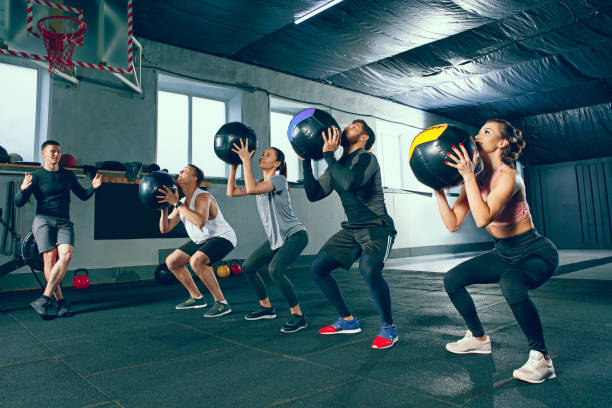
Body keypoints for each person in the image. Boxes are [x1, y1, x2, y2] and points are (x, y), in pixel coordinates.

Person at [435, 119, 559, 383]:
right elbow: (453, 223)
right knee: (452, 279)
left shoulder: (509, 177)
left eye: (486, 132)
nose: (478, 136)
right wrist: (438, 191)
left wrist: (468, 177)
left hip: (534, 251)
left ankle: (543, 359)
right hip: (503, 252)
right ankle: (478, 338)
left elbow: (482, 219)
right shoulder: (476, 179)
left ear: (502, 143)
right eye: (478, 131)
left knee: (512, 283)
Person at [301, 120, 398, 349]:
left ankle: (389, 327)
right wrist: (305, 161)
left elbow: (350, 182)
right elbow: (314, 194)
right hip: (352, 229)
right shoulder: (336, 164)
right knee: (317, 269)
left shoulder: (366, 158)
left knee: (369, 269)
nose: (346, 128)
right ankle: (347, 320)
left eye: (354, 126)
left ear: (364, 138)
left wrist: (329, 156)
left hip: (377, 226)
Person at [227, 140, 309, 333]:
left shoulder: (279, 180)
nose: (262, 156)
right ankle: (266, 307)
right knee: (248, 267)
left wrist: (246, 161)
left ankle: (298, 315)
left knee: (275, 269)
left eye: (268, 155)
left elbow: (253, 189)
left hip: (295, 235)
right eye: (262, 154)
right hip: (276, 240)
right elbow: (230, 192)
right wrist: (234, 167)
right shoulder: (260, 184)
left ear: (277, 164)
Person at [15, 140, 102, 318]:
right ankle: (61, 301)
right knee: (49, 258)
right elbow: (19, 203)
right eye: (53, 151)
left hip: (63, 221)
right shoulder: (36, 176)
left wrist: (93, 188)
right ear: (43, 154)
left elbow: (83, 196)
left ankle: (45, 298)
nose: (56, 154)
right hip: (43, 220)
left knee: (67, 255)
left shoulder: (68, 175)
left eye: (59, 151)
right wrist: (22, 190)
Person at [158, 164, 236, 318]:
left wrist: (177, 204)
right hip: (201, 240)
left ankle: (221, 302)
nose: (180, 172)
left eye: (185, 171)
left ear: (194, 179)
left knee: (196, 261)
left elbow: (199, 221)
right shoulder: (181, 201)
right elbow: (165, 228)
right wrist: (164, 208)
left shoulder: (202, 197)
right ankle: (197, 298)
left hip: (222, 237)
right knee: (172, 261)